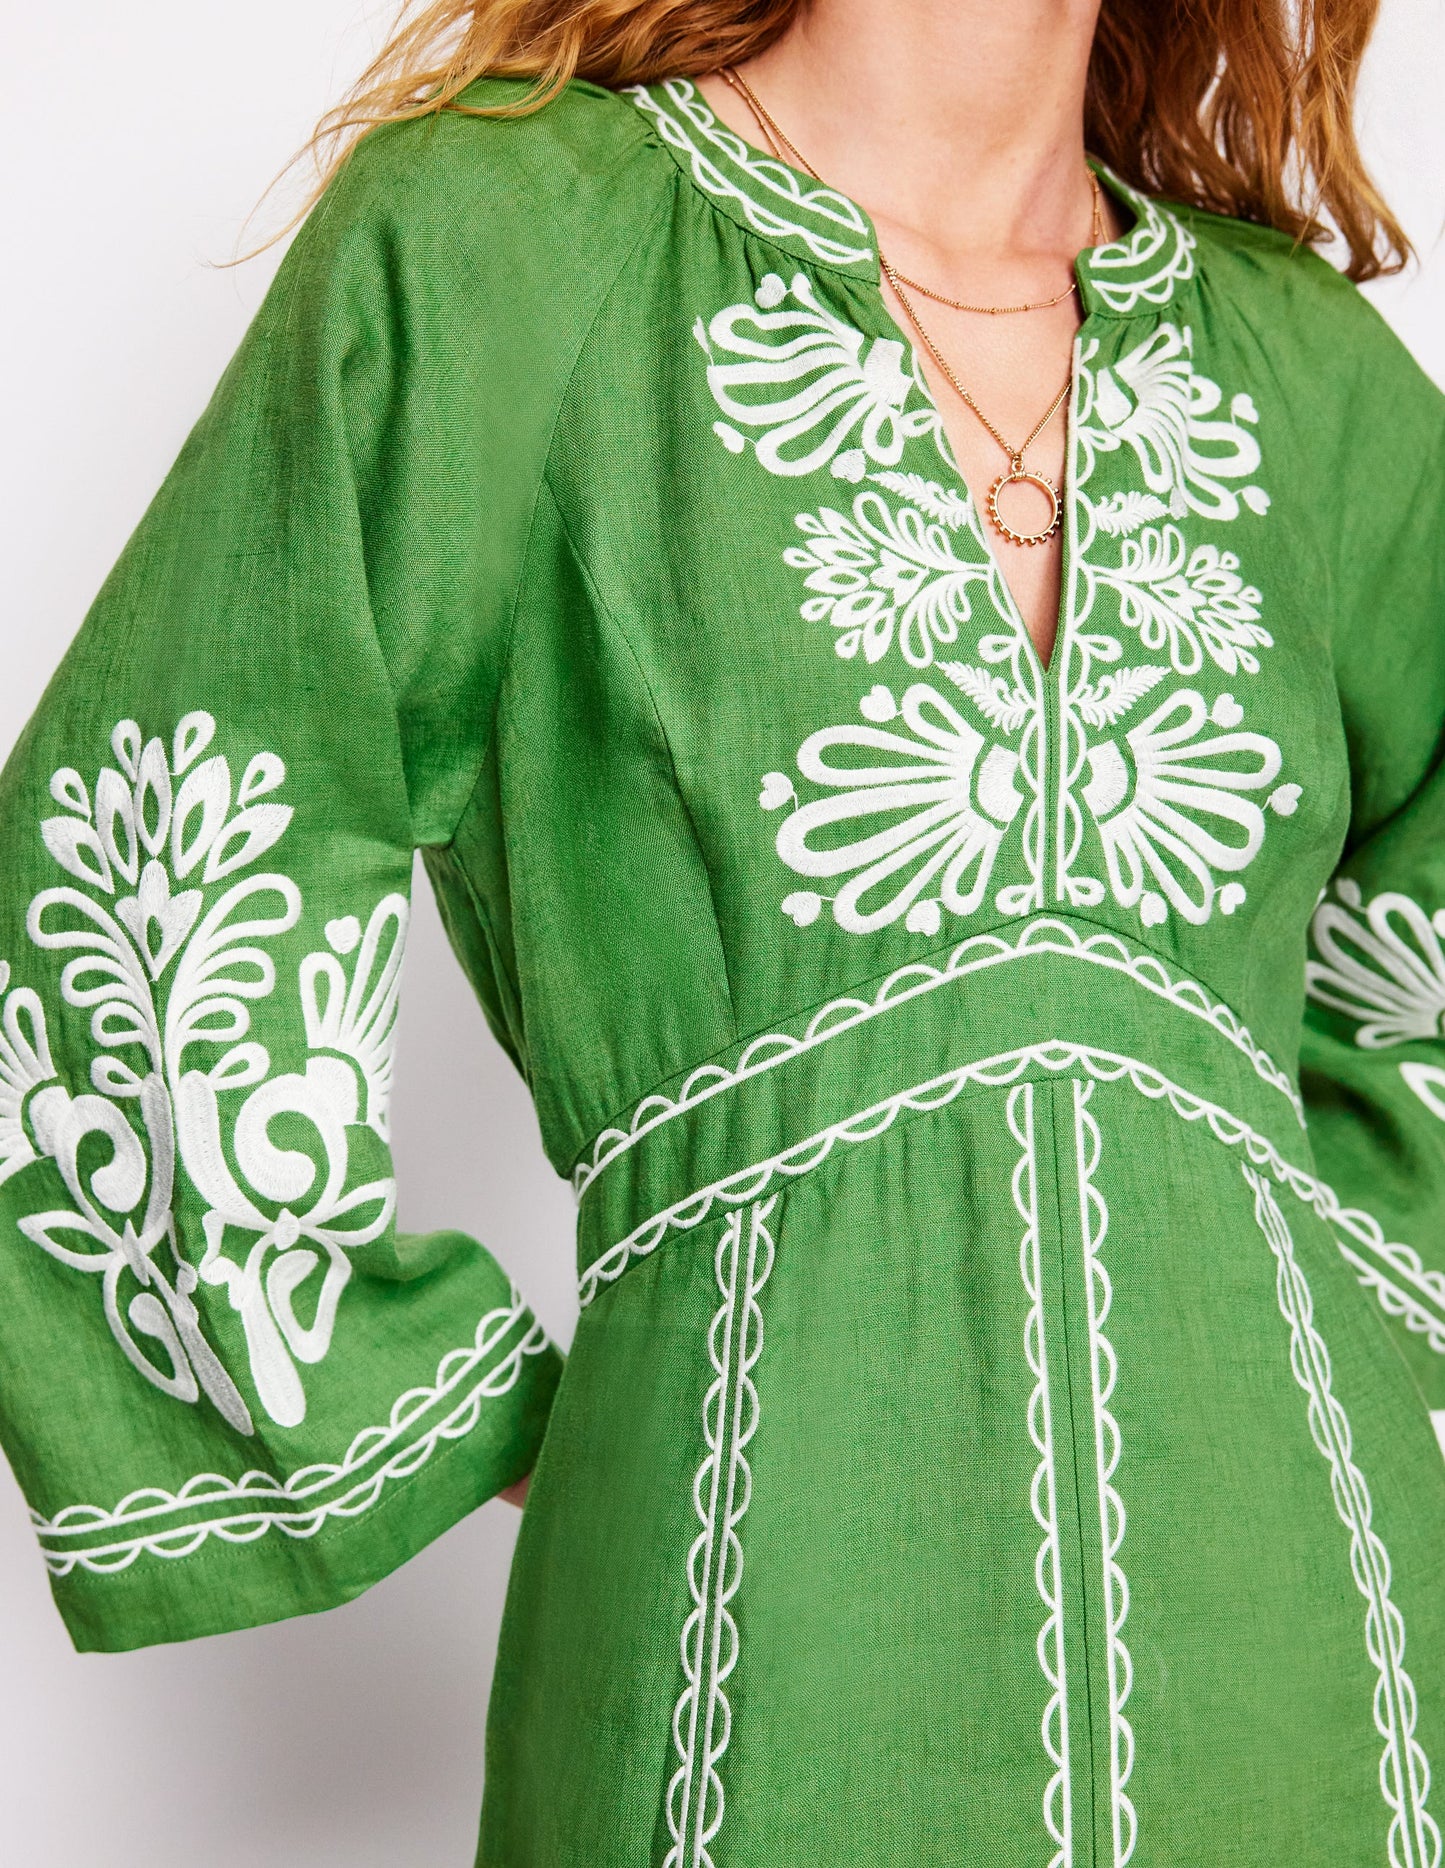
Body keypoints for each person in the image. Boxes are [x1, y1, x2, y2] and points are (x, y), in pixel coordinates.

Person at [1, 0, 1442, 1860]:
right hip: (733, 1626)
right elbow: (136, 854)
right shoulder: (502, 244)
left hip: (1309, 1648)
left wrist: (1323, 1283)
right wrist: (451, 1409)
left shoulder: (1309, 374)